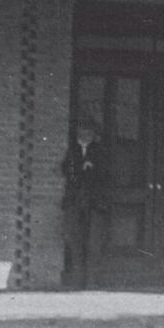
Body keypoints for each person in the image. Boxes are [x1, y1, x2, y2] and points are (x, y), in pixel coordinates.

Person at [60, 119, 105, 286]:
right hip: (75, 201)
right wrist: (82, 168)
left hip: (95, 202)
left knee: (94, 242)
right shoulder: (73, 151)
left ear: (94, 135)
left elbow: (104, 173)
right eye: (82, 133)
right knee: (74, 238)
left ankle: (92, 280)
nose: (85, 136)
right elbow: (67, 171)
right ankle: (77, 278)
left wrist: (90, 169)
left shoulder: (100, 151)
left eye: (89, 133)